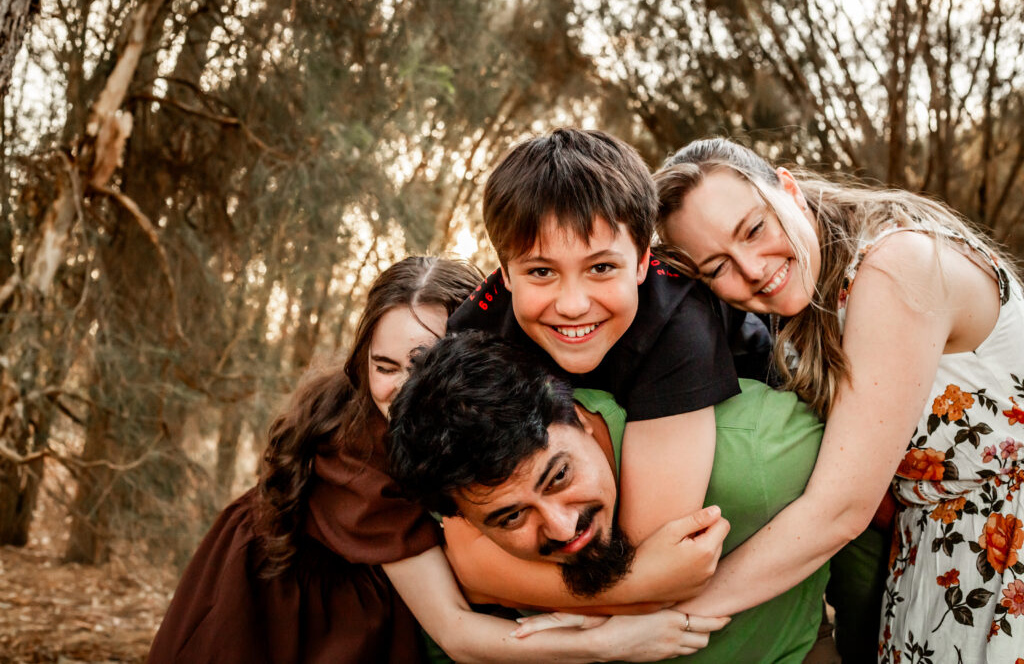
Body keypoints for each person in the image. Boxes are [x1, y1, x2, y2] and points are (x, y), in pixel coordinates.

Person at [149, 256, 714, 664]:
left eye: (424, 364)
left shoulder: (513, 413)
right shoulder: (361, 455)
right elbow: (457, 627)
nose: (399, 390)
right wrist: (610, 637)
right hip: (297, 607)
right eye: (384, 365)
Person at [652, 138, 1024, 662]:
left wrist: (659, 623)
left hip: (1008, 554)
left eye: (755, 229)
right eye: (717, 268)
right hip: (937, 565)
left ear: (787, 188)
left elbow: (838, 510)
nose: (753, 269)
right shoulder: (807, 306)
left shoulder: (897, 266)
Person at [446, 129, 773, 606]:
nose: (573, 304)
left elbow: (652, 550)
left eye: (601, 268)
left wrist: (511, 583)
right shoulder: (475, 335)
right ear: (505, 272)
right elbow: (468, 557)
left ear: (642, 261)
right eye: (541, 271)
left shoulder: (680, 322)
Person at [389, 330, 830, 662]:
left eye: (559, 476)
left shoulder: (758, 453)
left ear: (578, 417)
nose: (563, 528)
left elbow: (861, 515)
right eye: (511, 518)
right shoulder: (450, 495)